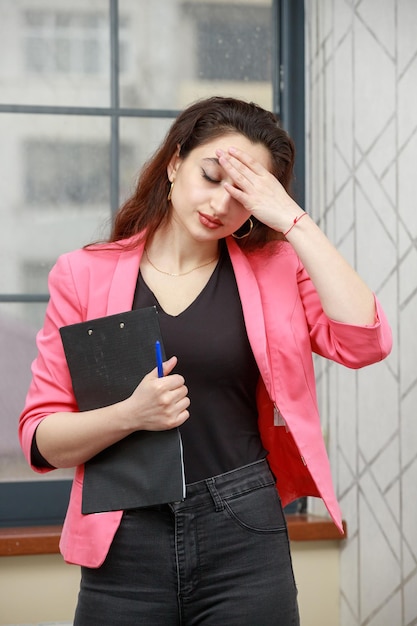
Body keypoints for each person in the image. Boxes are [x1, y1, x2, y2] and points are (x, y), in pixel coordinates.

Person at [19, 96, 392, 625]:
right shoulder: (84, 275)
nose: (221, 203)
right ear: (175, 163)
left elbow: (365, 343)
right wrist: (131, 414)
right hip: (123, 535)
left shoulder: (277, 268)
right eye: (211, 175)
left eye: (244, 193)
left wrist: (294, 222)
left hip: (243, 527)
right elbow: (39, 437)